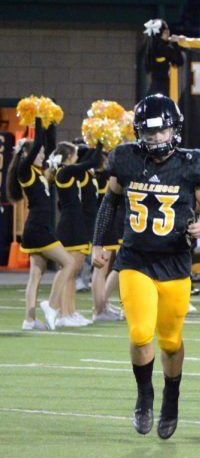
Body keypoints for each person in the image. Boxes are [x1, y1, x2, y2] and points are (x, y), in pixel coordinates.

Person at [91, 94, 200, 439]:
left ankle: (172, 397)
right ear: (139, 134)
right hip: (135, 260)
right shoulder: (127, 159)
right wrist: (98, 244)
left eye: (162, 133)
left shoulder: (192, 164)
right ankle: (144, 395)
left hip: (175, 264)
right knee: (139, 333)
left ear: (175, 130)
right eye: (149, 135)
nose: (156, 140)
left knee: (169, 340)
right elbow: (110, 203)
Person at [6, 121, 75, 331]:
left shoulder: (39, 173)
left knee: (36, 274)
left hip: (38, 227)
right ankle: (52, 306)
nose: (43, 155)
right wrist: (37, 119)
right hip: (38, 228)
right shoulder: (24, 171)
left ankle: (29, 320)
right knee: (69, 263)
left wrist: (50, 123)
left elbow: (49, 149)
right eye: (40, 152)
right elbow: (37, 145)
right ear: (28, 154)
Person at [48, 141, 102, 327]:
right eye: (75, 155)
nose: (78, 158)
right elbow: (92, 161)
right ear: (69, 157)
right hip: (70, 227)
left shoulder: (68, 172)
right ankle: (63, 313)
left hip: (75, 224)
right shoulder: (65, 172)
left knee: (73, 272)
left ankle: (70, 311)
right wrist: (101, 139)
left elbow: (88, 160)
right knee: (69, 271)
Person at [90, 151, 125, 322]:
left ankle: (101, 306)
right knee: (103, 269)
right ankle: (98, 308)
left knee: (108, 268)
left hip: (109, 224)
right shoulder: (104, 175)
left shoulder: (98, 175)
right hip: (106, 224)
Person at [144, 19, 184, 95]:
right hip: (161, 87)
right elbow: (179, 61)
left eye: (168, 31)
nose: (168, 33)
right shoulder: (161, 47)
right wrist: (175, 44)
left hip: (156, 86)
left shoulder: (152, 46)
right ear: (159, 34)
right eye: (165, 32)